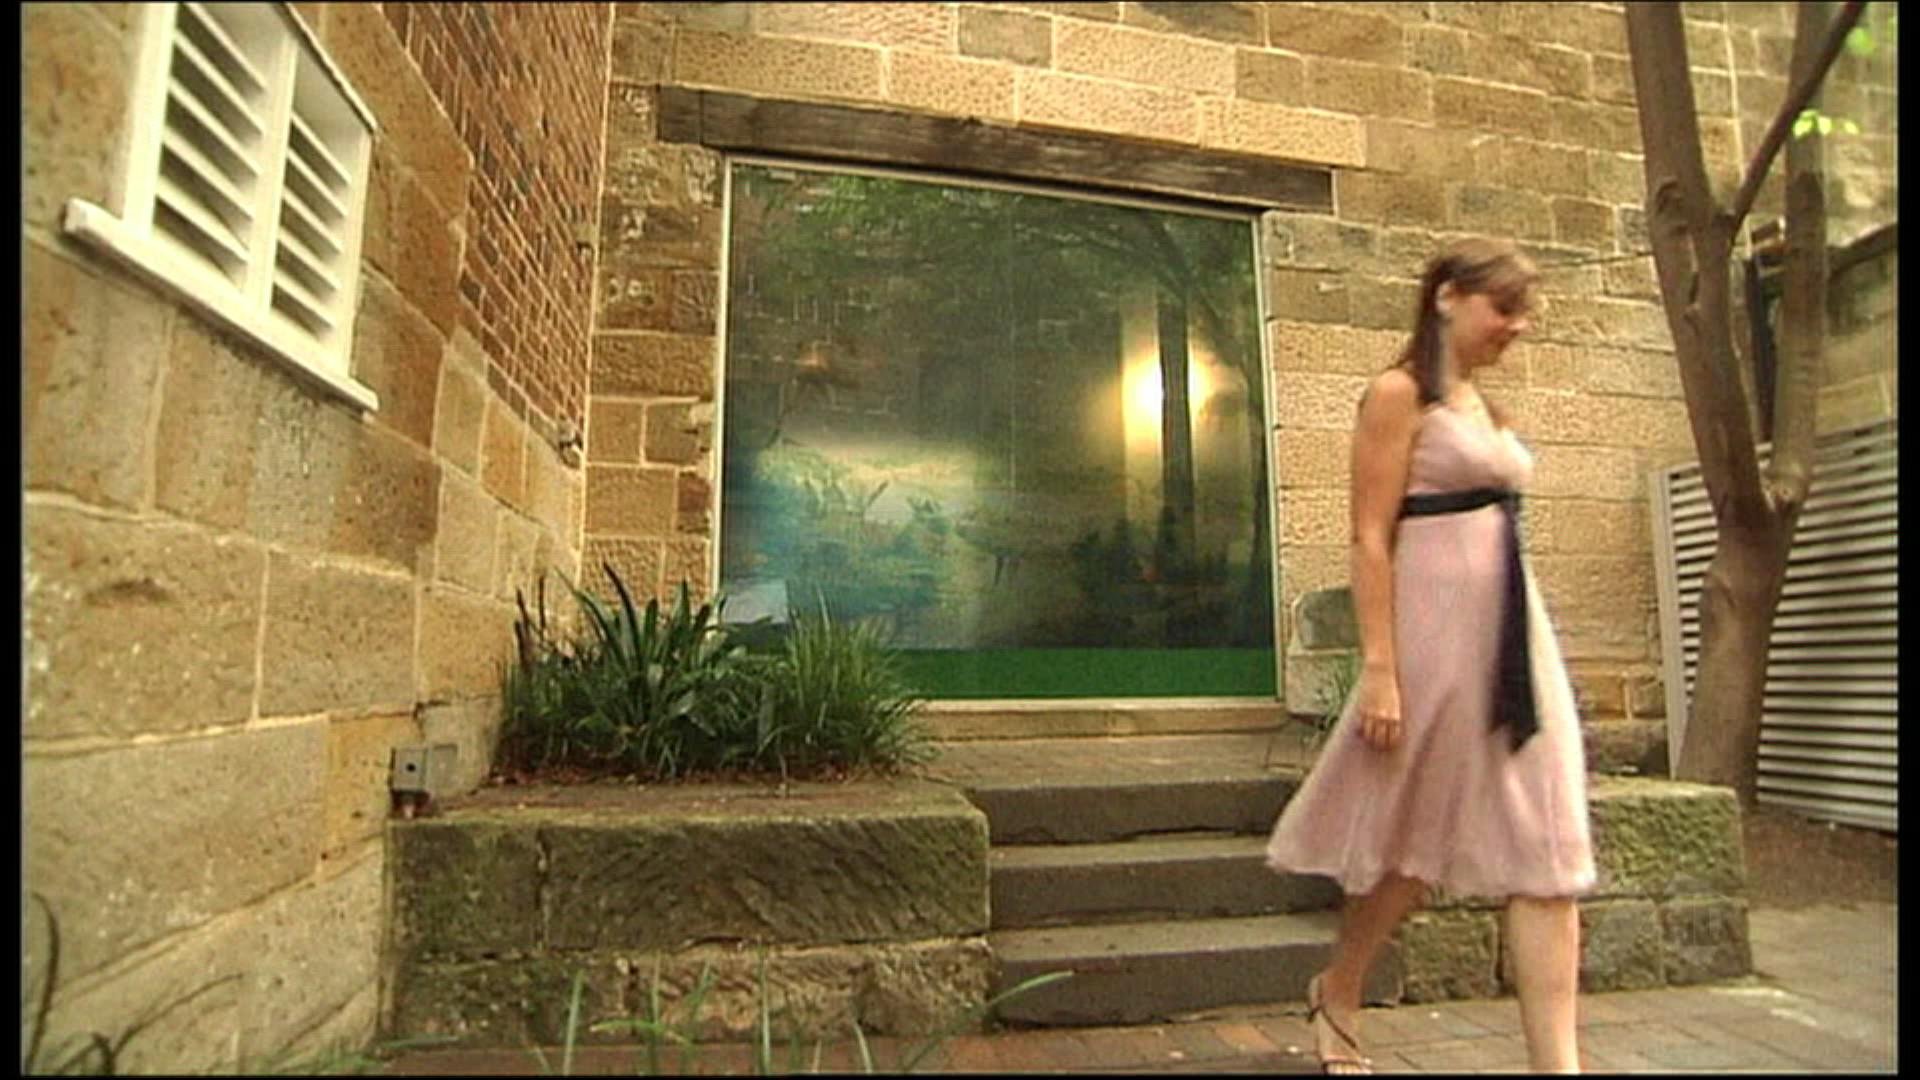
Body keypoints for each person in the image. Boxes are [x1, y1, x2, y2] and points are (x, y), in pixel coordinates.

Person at [1265, 237, 1596, 1074]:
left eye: (1525, 313)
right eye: (1504, 308)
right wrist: (1380, 669)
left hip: (1516, 647)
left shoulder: (1485, 408)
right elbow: (1369, 538)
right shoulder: (1397, 394)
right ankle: (1339, 989)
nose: (1518, 327)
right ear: (1448, 296)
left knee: (1550, 849)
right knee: (1410, 849)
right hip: (1432, 645)